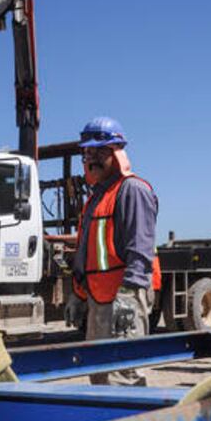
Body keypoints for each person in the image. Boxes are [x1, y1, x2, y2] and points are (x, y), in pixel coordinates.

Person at [68, 117, 159, 386]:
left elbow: (140, 250)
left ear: (117, 153)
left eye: (99, 152)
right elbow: (86, 252)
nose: (91, 158)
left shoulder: (132, 190)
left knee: (124, 376)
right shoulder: (96, 198)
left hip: (123, 296)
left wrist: (128, 297)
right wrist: (78, 294)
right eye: (87, 153)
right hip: (99, 299)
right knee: (99, 374)